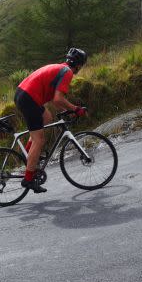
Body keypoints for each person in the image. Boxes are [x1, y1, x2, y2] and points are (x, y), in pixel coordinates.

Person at [14, 47, 88, 193]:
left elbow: (56, 102)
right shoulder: (67, 73)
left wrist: (65, 110)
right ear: (79, 65)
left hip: (23, 94)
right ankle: (28, 179)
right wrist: (75, 109)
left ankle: (28, 153)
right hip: (29, 98)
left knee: (47, 117)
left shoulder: (61, 68)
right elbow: (58, 98)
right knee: (39, 140)